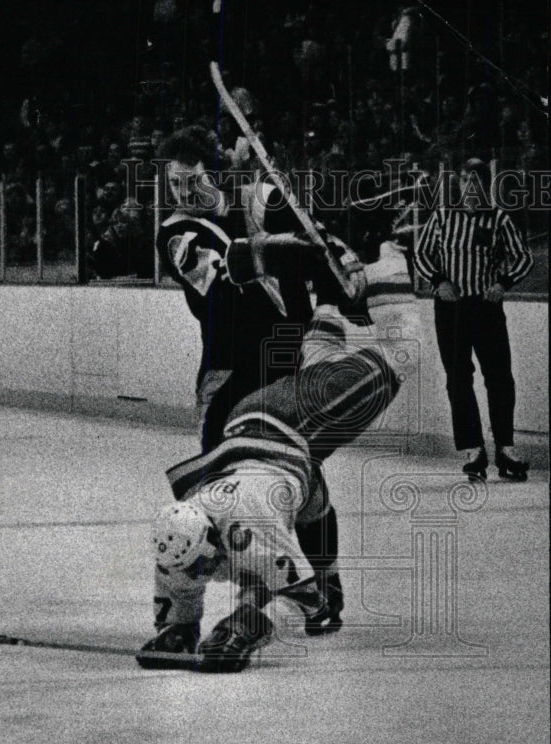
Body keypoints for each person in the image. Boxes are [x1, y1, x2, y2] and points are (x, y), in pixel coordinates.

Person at [154, 123, 367, 627]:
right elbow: (230, 270)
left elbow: (316, 232)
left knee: (304, 477)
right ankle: (194, 604)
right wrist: (311, 253)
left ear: (218, 173)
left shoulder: (255, 198)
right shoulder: (177, 231)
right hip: (228, 377)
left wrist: (341, 257)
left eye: (194, 180)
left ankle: (325, 584)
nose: (185, 192)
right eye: (175, 184)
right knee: (216, 488)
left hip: (282, 366)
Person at [137, 330, 400, 672]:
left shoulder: (248, 528)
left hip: (282, 421)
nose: (193, 574)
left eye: (197, 566)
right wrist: (179, 630)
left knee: (393, 364)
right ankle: (328, 308)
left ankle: (345, 299)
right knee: (271, 559)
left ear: (213, 538)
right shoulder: (176, 548)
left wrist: (250, 628)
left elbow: (305, 599)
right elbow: (183, 597)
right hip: (265, 458)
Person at [412, 158, 534, 481]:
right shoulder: (443, 217)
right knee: (458, 378)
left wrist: (502, 284)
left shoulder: (498, 218)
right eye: (466, 180)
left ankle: (506, 447)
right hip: (451, 310)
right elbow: (421, 254)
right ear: (460, 184)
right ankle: (473, 448)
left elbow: (524, 257)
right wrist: (439, 281)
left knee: (499, 376)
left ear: (485, 185)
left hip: (485, 307)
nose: (471, 187)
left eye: (477, 181)